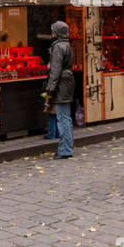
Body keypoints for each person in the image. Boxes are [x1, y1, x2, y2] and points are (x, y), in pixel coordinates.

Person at [45, 20, 75, 158]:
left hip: (61, 84)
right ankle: (66, 148)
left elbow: (55, 71)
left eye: (53, 31)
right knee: (66, 118)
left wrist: (50, 89)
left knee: (62, 118)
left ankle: (65, 150)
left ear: (56, 33)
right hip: (67, 82)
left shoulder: (57, 47)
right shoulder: (67, 44)